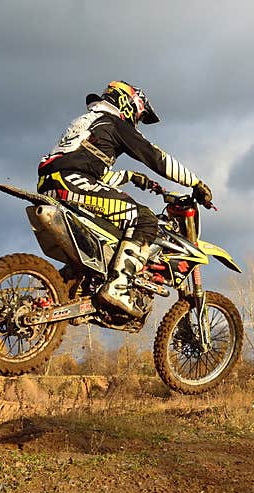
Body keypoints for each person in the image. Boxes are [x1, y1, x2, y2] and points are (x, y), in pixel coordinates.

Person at [37, 81, 213, 317]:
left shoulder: (90, 120)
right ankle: (118, 287)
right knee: (145, 219)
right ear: (129, 104)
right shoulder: (114, 122)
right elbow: (155, 157)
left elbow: (86, 164)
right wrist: (195, 182)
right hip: (71, 180)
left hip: (51, 183)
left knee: (108, 234)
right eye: (138, 116)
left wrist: (130, 176)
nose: (136, 122)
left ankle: (66, 290)